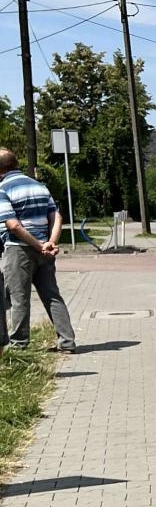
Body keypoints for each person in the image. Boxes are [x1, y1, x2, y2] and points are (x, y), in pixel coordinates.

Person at [0, 148, 77, 354]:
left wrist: (37, 245)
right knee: (52, 295)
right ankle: (67, 342)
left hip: (19, 250)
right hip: (45, 252)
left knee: (19, 298)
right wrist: (49, 243)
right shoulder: (40, 186)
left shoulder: (2, 189)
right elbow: (57, 217)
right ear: (15, 164)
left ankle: (19, 347)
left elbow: (13, 225)